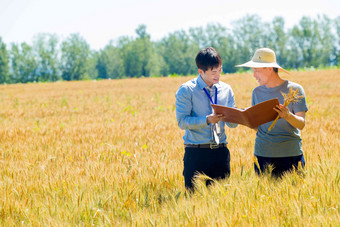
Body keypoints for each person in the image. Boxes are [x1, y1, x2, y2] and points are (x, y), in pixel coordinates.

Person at [236, 47, 308, 177]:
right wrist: (246, 120)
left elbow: (301, 124)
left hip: (290, 155)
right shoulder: (256, 92)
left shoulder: (295, 90)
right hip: (262, 155)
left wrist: (287, 115)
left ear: (269, 68)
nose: (254, 75)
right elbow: (258, 127)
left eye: (256, 71)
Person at [175, 47, 237, 191]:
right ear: (200, 71)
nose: (218, 75)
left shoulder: (226, 90)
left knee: (222, 202)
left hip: (221, 152)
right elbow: (182, 121)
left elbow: (233, 125)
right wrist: (207, 120)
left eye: (220, 70)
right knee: (193, 201)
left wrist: (240, 117)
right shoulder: (186, 90)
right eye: (213, 72)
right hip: (196, 153)